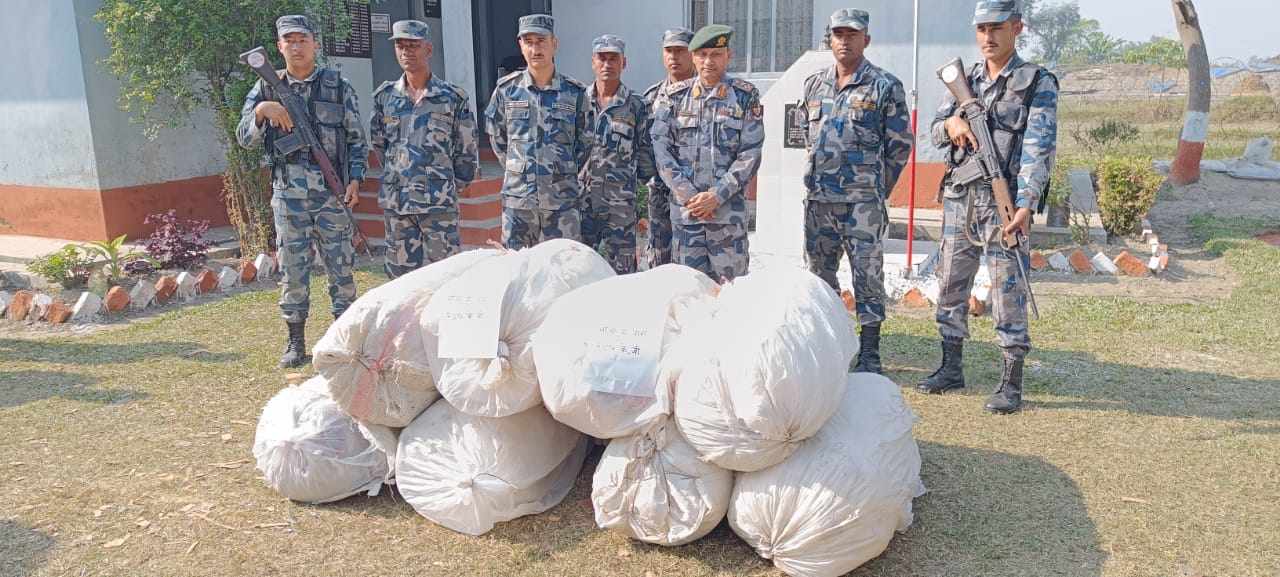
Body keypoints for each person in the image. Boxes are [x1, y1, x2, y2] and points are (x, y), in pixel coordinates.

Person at [916, 0, 1058, 414]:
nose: (988, 37)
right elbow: (932, 133)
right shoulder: (965, 80)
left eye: (997, 27)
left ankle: (1011, 381)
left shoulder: (1036, 82)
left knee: (1007, 290)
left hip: (1004, 203)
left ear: (1017, 27)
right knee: (949, 284)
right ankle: (950, 367)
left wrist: (1026, 205)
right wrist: (951, 124)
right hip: (961, 199)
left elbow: (1039, 148)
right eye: (981, 29)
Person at [237, 14, 367, 368]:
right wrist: (262, 111)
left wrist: (355, 179)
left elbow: (357, 140)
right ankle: (295, 343)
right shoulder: (266, 88)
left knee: (341, 270)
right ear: (278, 47)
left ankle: (344, 339)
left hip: (331, 195)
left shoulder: (337, 85)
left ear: (315, 45)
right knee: (293, 270)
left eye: (302, 40)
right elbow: (244, 139)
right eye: (289, 40)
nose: (296, 46)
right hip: (289, 198)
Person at [801, 9, 913, 374]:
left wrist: (875, 187)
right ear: (829, 39)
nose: (844, 40)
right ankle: (829, 342)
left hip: (862, 203)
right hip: (819, 202)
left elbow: (899, 146)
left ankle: (869, 352)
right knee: (820, 276)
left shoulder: (885, 86)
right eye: (838, 34)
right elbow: (808, 136)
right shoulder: (813, 85)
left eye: (852, 34)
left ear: (866, 39)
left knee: (867, 275)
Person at [650, 24, 764, 282]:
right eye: (702, 54)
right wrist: (690, 197)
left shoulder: (745, 97)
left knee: (732, 298)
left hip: (727, 219)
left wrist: (716, 196)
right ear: (693, 57)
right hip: (687, 218)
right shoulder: (674, 98)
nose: (708, 61)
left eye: (716, 54)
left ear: (728, 56)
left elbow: (750, 153)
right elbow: (661, 151)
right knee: (688, 295)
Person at [369, 20, 479, 279]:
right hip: (398, 206)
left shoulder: (452, 98)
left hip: (438, 206)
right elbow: (379, 145)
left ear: (428, 50)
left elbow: (466, 151)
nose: (406, 51)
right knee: (400, 280)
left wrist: (448, 185)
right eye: (400, 45)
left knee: (446, 277)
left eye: (413, 45)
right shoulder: (384, 97)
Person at [484, 14, 591, 249]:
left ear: (554, 43)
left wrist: (559, 168)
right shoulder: (506, 91)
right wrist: (520, 167)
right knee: (517, 270)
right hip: (519, 203)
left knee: (564, 269)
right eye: (529, 42)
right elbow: (498, 139)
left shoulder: (575, 93)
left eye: (541, 41)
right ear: (520, 45)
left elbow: (585, 143)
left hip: (562, 201)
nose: (535, 48)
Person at [580, 34, 655, 274]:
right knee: (579, 269)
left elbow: (646, 155)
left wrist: (628, 185)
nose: (607, 65)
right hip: (581, 202)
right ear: (593, 62)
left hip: (620, 206)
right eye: (602, 58)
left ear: (624, 63)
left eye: (614, 59)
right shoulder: (577, 101)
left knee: (622, 273)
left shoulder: (637, 106)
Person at [642, 28, 696, 269]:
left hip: (694, 196)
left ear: (692, 53)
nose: (674, 57)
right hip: (660, 196)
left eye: (680, 51)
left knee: (691, 264)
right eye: (669, 51)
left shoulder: (704, 94)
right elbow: (643, 146)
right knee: (658, 261)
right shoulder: (651, 97)